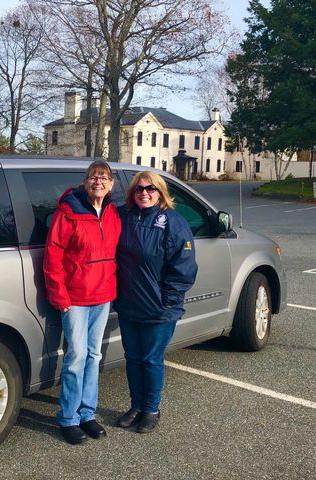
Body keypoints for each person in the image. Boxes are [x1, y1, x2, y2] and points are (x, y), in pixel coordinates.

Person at [43, 160, 121, 445]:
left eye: (104, 177)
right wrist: (59, 295)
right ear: (85, 182)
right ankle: (68, 418)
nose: (98, 181)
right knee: (75, 357)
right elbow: (53, 256)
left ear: (111, 184)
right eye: (93, 177)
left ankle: (87, 413)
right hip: (75, 297)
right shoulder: (69, 212)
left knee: (94, 355)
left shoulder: (113, 212)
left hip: (103, 296)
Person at [114, 171, 198, 433]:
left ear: (161, 192)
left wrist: (168, 302)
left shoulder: (173, 222)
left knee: (151, 360)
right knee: (133, 358)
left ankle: (151, 408)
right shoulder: (123, 216)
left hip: (159, 307)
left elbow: (184, 268)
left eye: (151, 189)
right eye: (139, 189)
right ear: (132, 193)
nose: (144, 193)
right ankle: (136, 405)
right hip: (129, 304)